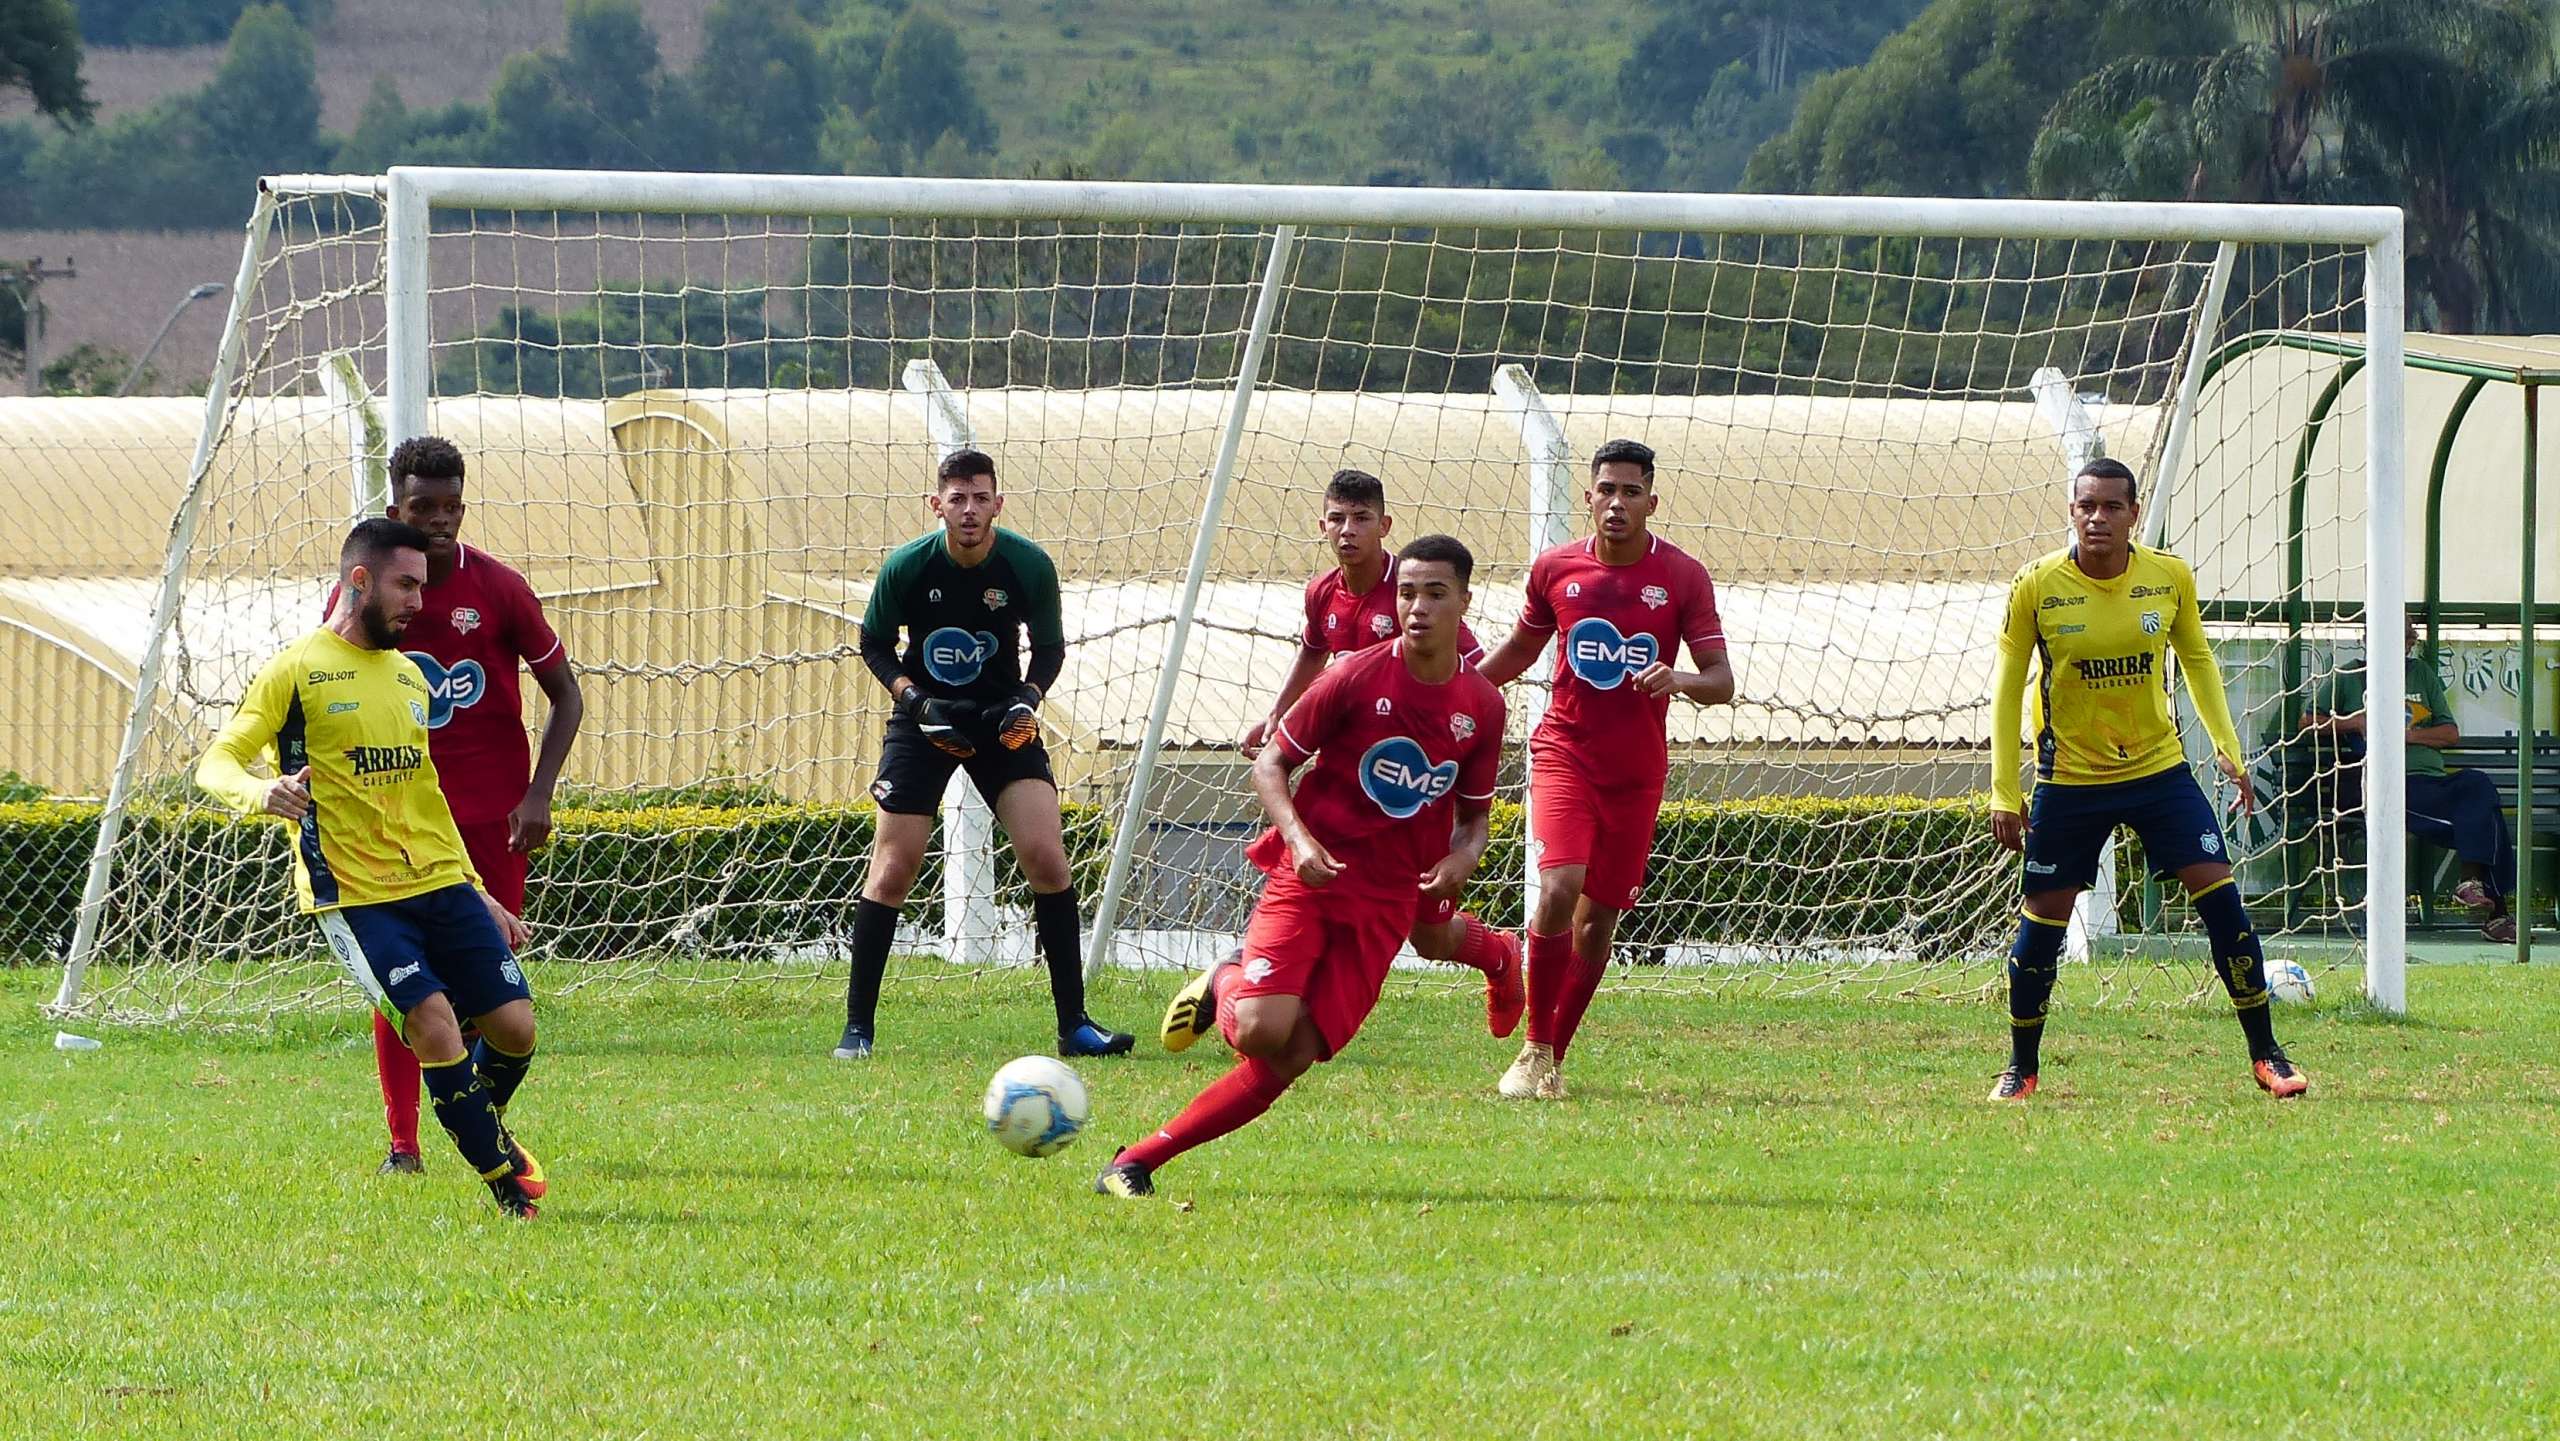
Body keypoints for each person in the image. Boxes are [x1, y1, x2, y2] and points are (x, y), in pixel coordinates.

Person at [1097, 535, 1503, 1199]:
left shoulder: (1482, 704)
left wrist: (1465, 855)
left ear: (1464, 601)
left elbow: (1475, 817)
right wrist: (1300, 840)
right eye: (1407, 593)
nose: (1418, 607)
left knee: (1292, 1054)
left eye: (1435, 593)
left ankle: (1135, 1160)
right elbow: (1271, 763)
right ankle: (1227, 979)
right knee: (1261, 1032)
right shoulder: (1353, 676)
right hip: (1311, 877)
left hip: (1387, 902)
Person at [198, 518, 548, 1217]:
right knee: (434, 1022)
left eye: (422, 585)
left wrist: (480, 892)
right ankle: (509, 1186)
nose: (420, 600)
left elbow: (425, 795)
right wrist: (262, 792)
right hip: (354, 894)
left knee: (516, 1028)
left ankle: (474, 1118)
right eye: (406, 585)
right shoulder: (296, 669)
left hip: (439, 880)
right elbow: (217, 760)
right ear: (360, 581)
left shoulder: (411, 677)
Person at [1986, 457, 2305, 1101]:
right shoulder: (2036, 585)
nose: (2097, 518)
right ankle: (2021, 1068)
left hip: (2158, 770)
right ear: (2072, 512)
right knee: (2042, 925)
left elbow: (2198, 660)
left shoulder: (2169, 577)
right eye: (2086, 506)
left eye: (2111, 506)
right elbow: (2007, 685)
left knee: (2223, 903)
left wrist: (2228, 749)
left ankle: (2267, 1055)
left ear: (2133, 514)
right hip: (2069, 779)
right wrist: (2003, 788)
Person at [840, 448, 1132, 1061]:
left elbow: (1048, 651)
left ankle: (1075, 1026)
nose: (969, 510)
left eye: (980, 498)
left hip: (1003, 722)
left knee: (1046, 858)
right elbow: (874, 644)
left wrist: (1026, 699)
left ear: (998, 503)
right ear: (937, 505)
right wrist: (914, 699)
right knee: (892, 869)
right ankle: (857, 1031)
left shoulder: (1029, 565)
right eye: (957, 499)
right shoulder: (907, 567)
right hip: (925, 722)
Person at [344, 436, 583, 1177]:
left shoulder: (500, 588)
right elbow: (328, 685)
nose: (440, 520)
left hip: (494, 821)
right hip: (399, 826)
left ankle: (477, 1116)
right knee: (405, 983)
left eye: (452, 506)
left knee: (490, 983)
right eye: (424, 507)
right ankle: (403, 1144)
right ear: (397, 509)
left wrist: (538, 794)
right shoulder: (371, 598)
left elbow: (567, 696)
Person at [1471, 439, 1732, 1100]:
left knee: (1597, 921)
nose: (1617, 503)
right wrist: (1456, 691)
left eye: (1630, 492)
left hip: (1636, 773)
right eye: (1606, 490)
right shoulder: (1554, 568)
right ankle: (1533, 1048)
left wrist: (1679, 678)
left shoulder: (1683, 576)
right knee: (1560, 885)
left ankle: (1552, 1058)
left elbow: (1722, 680)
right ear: (1588, 497)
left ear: (1651, 501)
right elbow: (1519, 649)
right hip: (1564, 754)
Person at [1237, 468, 1523, 1037]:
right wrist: (1278, 714)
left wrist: (1449, 727)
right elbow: (1313, 653)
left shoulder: (1419, 591)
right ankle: (1262, 991)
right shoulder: (1323, 591)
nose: (1348, 531)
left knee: (1431, 936)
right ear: (1322, 525)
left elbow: (1471, 673)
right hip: (1357, 780)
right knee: (1321, 888)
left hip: (1419, 786)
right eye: (1337, 519)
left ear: (1384, 525)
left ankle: (1500, 956)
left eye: (1361, 518)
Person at [2308, 630, 2520, 943]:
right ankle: (2494, 910)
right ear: (2369, 638)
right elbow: (2307, 722)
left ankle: (2473, 884)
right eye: (2399, 634)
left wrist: (2408, 735)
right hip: (2383, 782)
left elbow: (2450, 733)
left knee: (2478, 784)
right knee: (2487, 819)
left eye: (2409, 637)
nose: (2405, 642)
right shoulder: (2351, 676)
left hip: (2431, 781)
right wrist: (2356, 722)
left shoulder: (2421, 673)